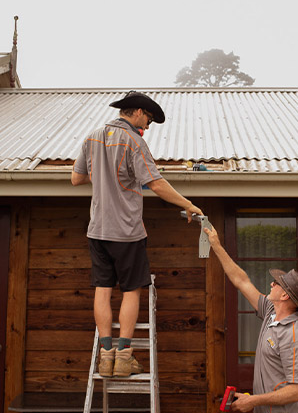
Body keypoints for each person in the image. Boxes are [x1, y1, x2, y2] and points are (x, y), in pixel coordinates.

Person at [71, 90, 203, 378]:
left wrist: (102, 176)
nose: (148, 126)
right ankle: (124, 358)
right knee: (131, 291)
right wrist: (188, 203)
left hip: (97, 231)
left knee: (102, 290)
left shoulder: (92, 136)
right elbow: (155, 184)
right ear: (139, 113)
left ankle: (105, 357)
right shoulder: (134, 140)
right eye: (149, 120)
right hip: (127, 232)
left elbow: (76, 178)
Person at [204, 225, 298, 413]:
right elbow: (241, 280)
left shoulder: (296, 336)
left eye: (277, 283)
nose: (272, 284)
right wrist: (216, 245)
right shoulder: (271, 313)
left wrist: (254, 400)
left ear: (285, 296)